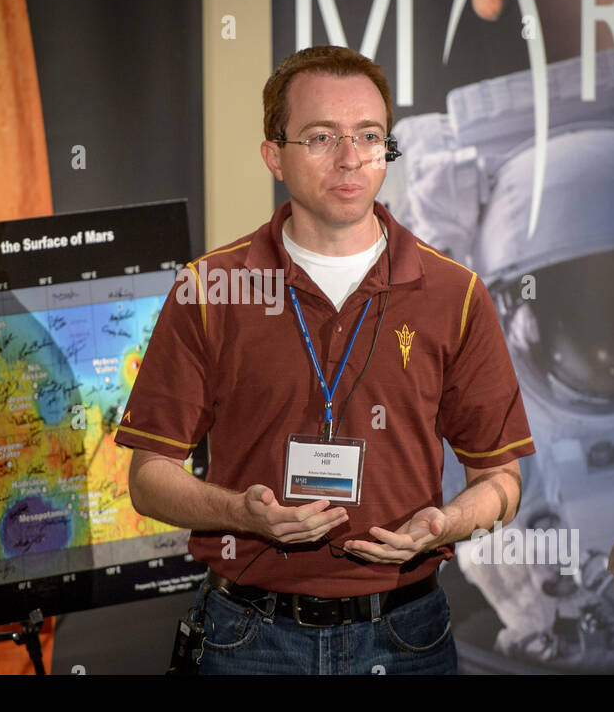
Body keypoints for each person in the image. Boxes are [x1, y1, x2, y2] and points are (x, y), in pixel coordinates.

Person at [113, 45, 536, 675]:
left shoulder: (455, 293)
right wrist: (239, 513)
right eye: (320, 136)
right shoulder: (210, 289)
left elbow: (501, 482)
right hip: (248, 639)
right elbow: (148, 478)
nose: (350, 158)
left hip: (406, 636)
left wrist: (444, 524)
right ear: (273, 155)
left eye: (369, 135)